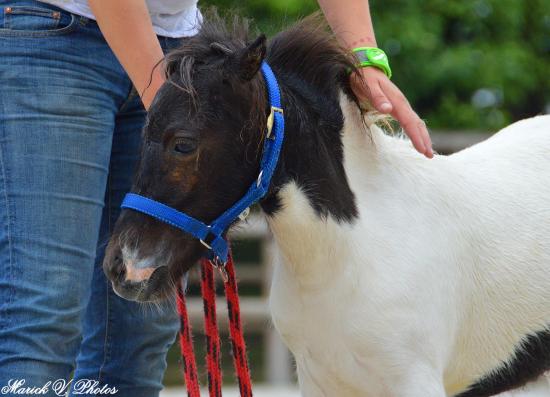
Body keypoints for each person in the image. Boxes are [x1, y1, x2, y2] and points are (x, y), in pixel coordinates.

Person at [0, 1, 431, 396]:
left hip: (181, 51)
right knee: (47, 306)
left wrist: (365, 57)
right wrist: (176, 108)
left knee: (140, 329)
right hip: (54, 39)